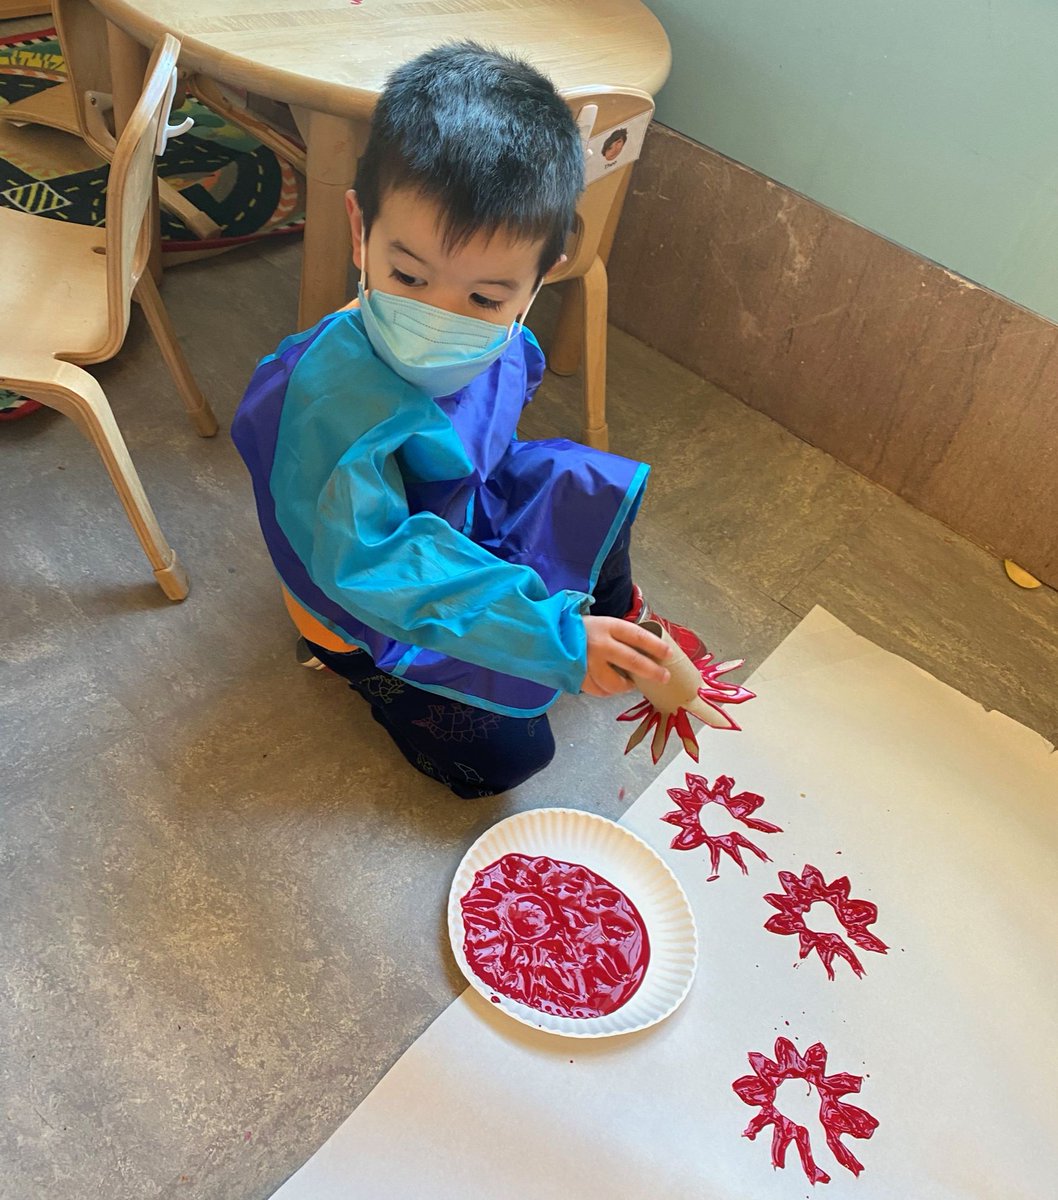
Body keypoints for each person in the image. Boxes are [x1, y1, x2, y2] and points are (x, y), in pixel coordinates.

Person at [232, 43, 707, 799]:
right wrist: (548, 637)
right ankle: (364, 681)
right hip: (369, 592)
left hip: (459, 515)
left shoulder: (507, 335)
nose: (436, 318)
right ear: (360, 231)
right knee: (503, 760)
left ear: (537, 280)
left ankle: (615, 622)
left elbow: (508, 404)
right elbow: (378, 564)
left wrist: (560, 626)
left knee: (597, 487)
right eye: (408, 276)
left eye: (485, 300)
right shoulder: (323, 399)